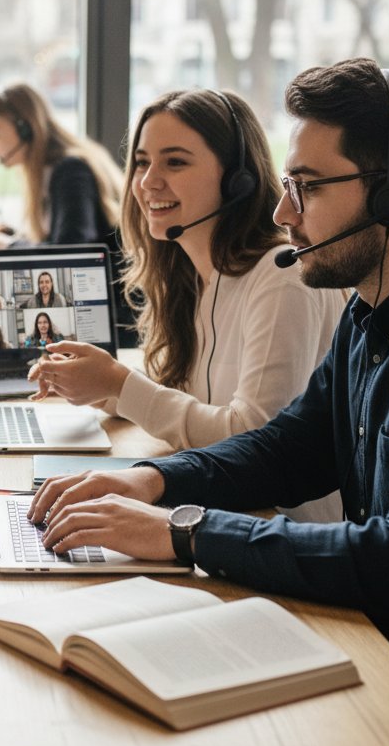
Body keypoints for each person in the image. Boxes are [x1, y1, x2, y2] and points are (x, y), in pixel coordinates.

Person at [28, 59, 389, 683]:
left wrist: (184, 533)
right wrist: (152, 482)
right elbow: (288, 448)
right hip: (375, 647)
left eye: (309, 186)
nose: (282, 213)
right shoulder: (368, 314)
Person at [29, 89, 344, 518]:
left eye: (174, 162)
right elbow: (188, 404)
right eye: (142, 162)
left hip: (278, 533)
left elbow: (250, 438)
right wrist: (97, 386)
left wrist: (121, 385)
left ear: (238, 179)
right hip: (221, 515)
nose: (148, 181)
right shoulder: (194, 277)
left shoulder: (282, 275)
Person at [0, 82, 124, 249]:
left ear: (25, 130)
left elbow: (70, 252)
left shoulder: (71, 172)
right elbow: (56, 239)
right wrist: (9, 235)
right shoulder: (50, 172)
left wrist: (9, 245)